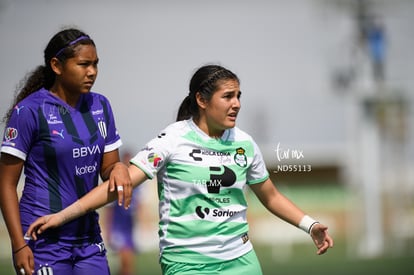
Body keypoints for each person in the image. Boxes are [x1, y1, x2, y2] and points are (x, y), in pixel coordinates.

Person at [26, 64, 334, 275]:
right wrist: (61, 216)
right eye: (228, 96)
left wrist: (310, 225)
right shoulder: (173, 139)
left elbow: (271, 197)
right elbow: (117, 186)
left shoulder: (245, 144)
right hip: (186, 262)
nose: (237, 103)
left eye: (239, 96)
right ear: (201, 99)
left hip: (240, 259)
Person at [0, 28, 132, 275]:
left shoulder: (101, 105)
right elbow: (5, 184)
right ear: (56, 66)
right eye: (83, 64)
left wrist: (120, 168)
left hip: (88, 239)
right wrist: (18, 245)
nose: (92, 72)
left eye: (95, 64)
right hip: (41, 239)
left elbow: (108, 170)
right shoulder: (28, 112)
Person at [104, 150, 142, 275]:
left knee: (128, 264)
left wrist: (141, 222)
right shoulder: (116, 184)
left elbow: (139, 206)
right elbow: (109, 209)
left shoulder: (136, 185)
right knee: (126, 262)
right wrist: (108, 230)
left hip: (129, 228)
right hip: (118, 228)